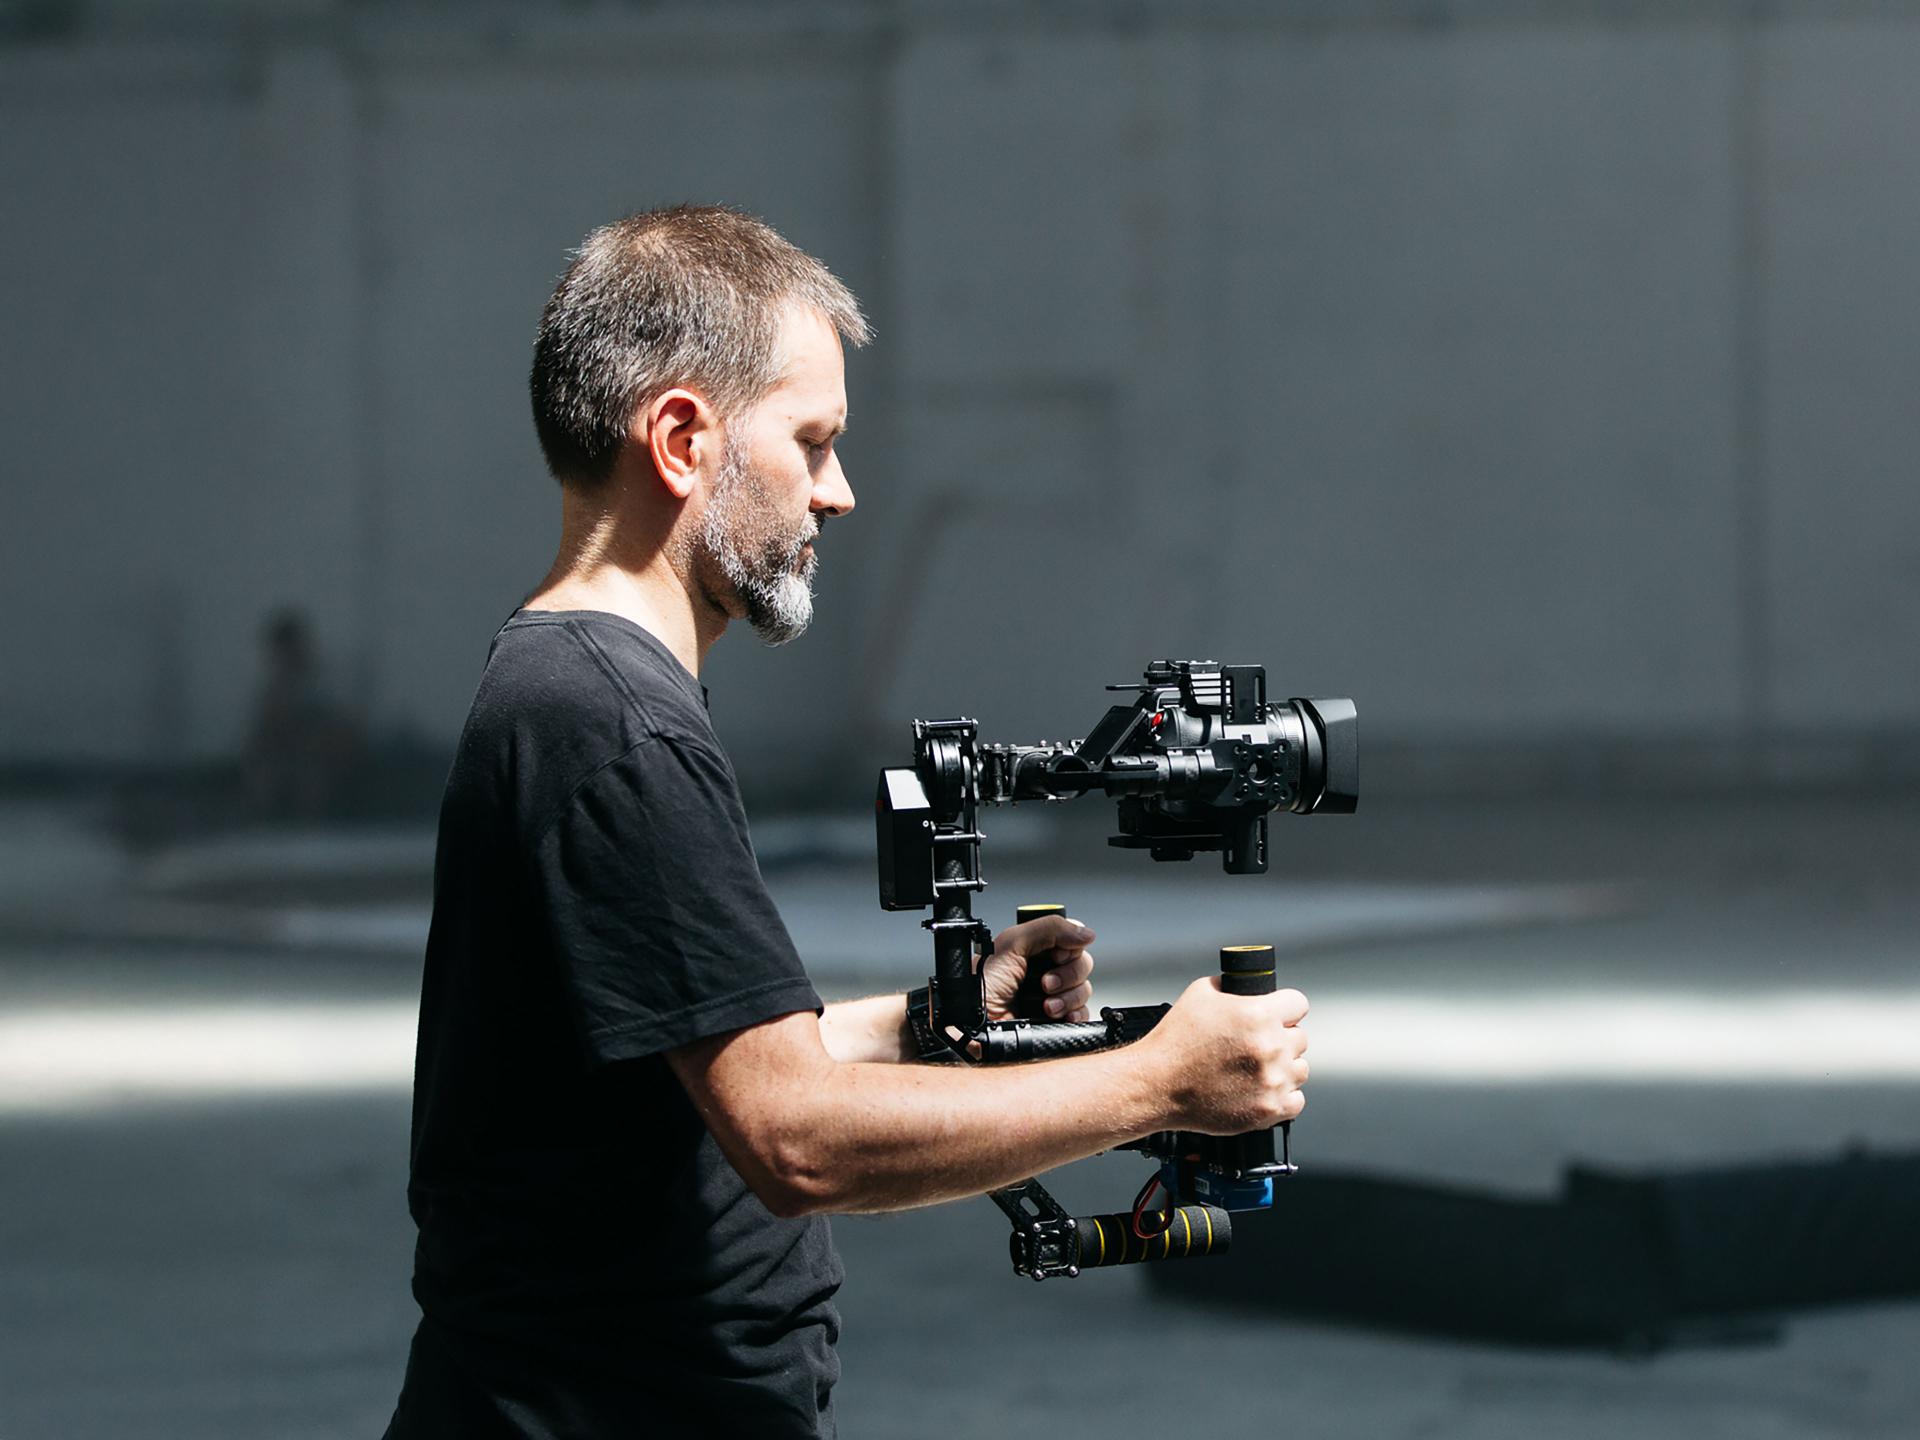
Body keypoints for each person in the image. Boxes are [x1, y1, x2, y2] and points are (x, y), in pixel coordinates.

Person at [383, 205, 1310, 1438]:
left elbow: (697, 1052)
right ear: (680, 439)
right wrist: (1160, 1083)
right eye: (813, 442)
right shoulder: (613, 726)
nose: (841, 493)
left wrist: (943, 1016)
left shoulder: (572, 690)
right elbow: (797, 1143)